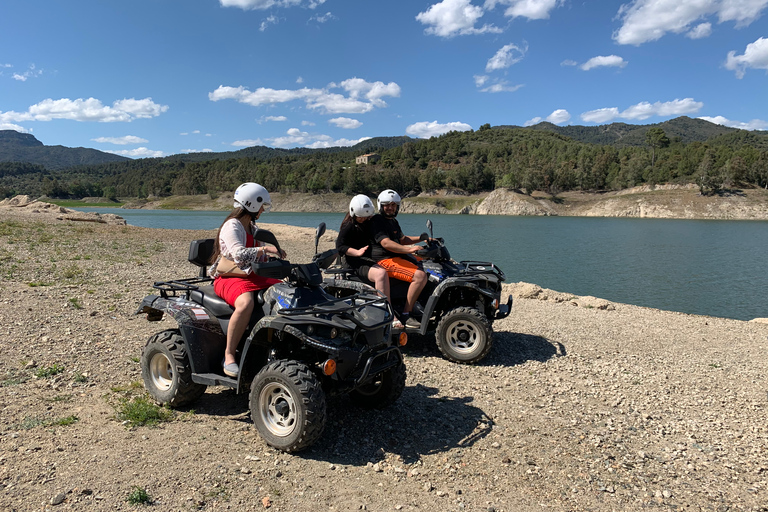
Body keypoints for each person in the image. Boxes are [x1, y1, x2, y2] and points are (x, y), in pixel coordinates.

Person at [209, 183, 286, 377]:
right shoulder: (232, 225)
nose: (262, 210)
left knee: (286, 291)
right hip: (230, 276)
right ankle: (228, 355)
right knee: (245, 303)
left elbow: (256, 258)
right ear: (252, 204)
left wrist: (272, 260)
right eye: (262, 206)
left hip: (251, 275)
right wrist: (265, 249)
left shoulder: (252, 226)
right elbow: (239, 255)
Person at [370, 189, 428, 329]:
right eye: (387, 205)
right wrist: (410, 249)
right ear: (380, 205)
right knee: (420, 276)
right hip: (383, 260)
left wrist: (422, 238)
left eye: (394, 205)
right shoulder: (377, 221)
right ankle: (406, 314)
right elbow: (386, 243)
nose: (390, 208)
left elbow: (402, 239)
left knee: (427, 265)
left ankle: (416, 302)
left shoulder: (393, 221)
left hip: (394, 257)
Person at [336, 194, 391, 311]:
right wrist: (356, 252)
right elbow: (340, 246)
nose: (363, 219)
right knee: (380, 274)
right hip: (353, 261)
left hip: (367, 258)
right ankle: (384, 311)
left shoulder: (368, 221)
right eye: (360, 217)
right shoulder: (349, 225)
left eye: (366, 216)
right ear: (353, 213)